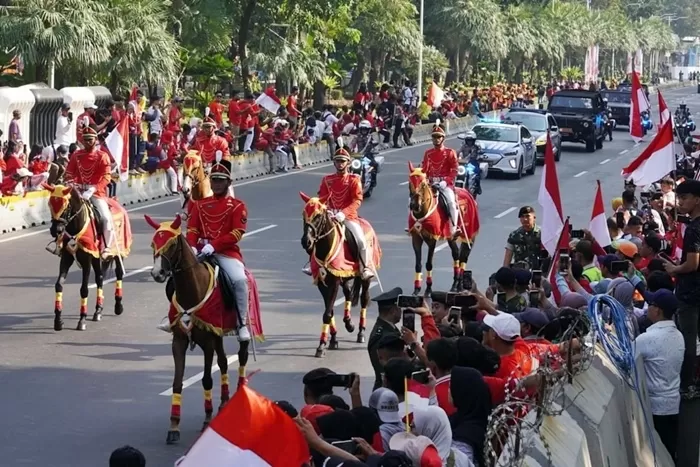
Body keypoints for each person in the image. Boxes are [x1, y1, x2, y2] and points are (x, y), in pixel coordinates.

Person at [185, 157, 250, 341]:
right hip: (200, 251)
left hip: (226, 253)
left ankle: (242, 323)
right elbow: (192, 229)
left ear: (228, 182)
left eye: (221, 180)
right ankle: (177, 315)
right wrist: (191, 245)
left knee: (239, 280)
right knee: (180, 274)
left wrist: (213, 245)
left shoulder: (238, 206)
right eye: (214, 179)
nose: (217, 184)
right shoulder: (200, 204)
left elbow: (237, 233)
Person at [635, 289, 684, 459]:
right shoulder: (679, 336)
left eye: (650, 305)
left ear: (658, 310)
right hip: (673, 405)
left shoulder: (647, 339)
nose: (647, 308)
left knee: (658, 455)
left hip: (655, 409)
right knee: (670, 454)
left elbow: (626, 360)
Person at [312, 147, 374, 279]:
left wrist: (343, 214)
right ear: (334, 163)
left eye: (342, 161)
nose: (340, 164)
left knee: (361, 242)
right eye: (337, 161)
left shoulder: (354, 179)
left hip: (348, 217)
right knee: (313, 237)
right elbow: (322, 199)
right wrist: (327, 211)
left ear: (348, 163)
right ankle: (313, 265)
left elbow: (357, 200)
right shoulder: (327, 180)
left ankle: (365, 268)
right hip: (329, 216)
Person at [663, 180, 700, 398]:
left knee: (687, 340)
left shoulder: (694, 230)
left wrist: (674, 268)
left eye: (684, 198)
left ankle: (686, 385)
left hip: (690, 293)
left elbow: (692, 264)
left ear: (696, 200)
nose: (681, 202)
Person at [64, 127, 114, 257]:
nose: (87, 142)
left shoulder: (103, 156)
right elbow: (68, 173)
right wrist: (71, 183)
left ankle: (106, 247)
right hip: (78, 190)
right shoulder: (76, 155)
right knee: (62, 214)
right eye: (85, 140)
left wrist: (93, 189)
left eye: (90, 140)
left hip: (96, 193)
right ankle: (60, 244)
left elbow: (107, 177)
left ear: (95, 140)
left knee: (105, 218)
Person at [421, 122, 459, 236]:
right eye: (434, 137)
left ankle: (454, 228)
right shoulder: (428, 153)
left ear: (443, 138)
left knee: (451, 202)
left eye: (439, 137)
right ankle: (413, 224)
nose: (436, 139)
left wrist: (445, 182)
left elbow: (455, 170)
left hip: (445, 184)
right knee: (412, 201)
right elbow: (424, 170)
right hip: (430, 184)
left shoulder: (450, 152)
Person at [367, 287, 403, 390]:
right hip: (387, 389)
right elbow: (385, 369)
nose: (401, 311)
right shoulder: (382, 335)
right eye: (399, 308)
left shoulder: (389, 328)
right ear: (393, 311)